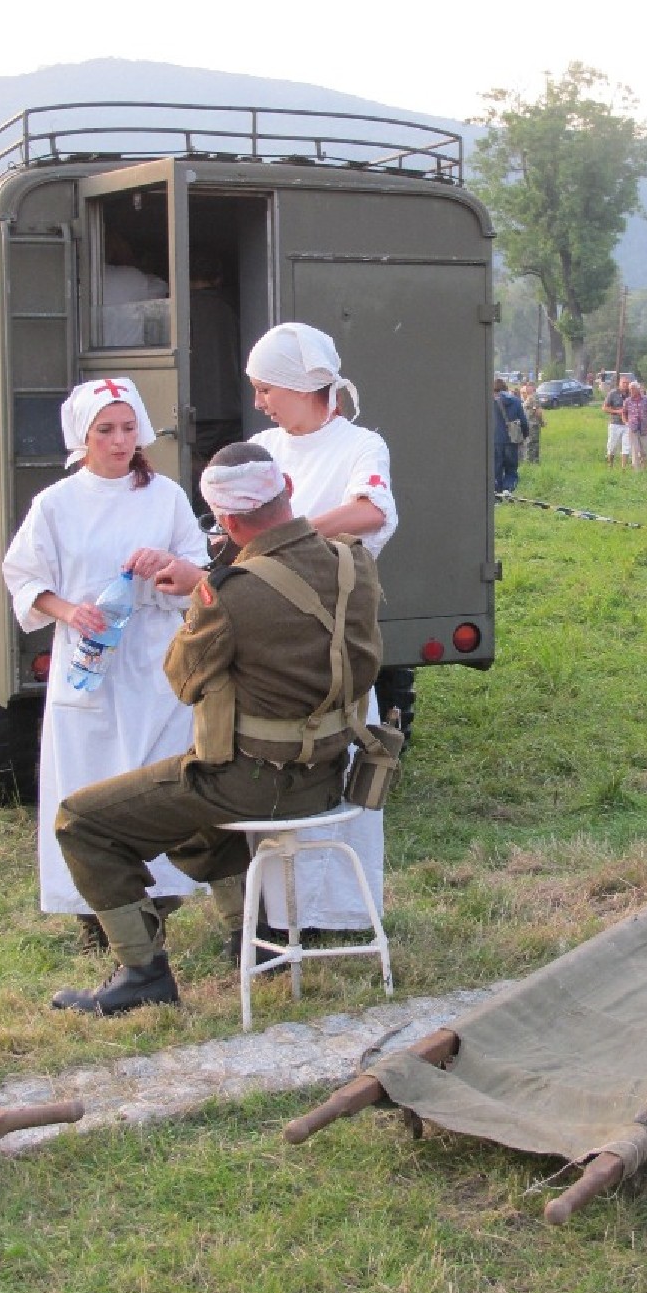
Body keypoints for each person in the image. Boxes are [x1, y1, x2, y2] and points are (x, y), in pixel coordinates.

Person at [50, 443, 383, 1015]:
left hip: (253, 783)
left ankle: (142, 971)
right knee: (191, 823)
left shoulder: (226, 593)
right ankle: (247, 933)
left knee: (81, 822)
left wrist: (201, 598)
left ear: (226, 521)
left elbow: (182, 681)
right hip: (331, 774)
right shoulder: (352, 563)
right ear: (288, 490)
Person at [2, 377, 209, 949]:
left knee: (155, 778)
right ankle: (96, 910)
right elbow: (24, 577)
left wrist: (165, 565)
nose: (119, 441)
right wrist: (71, 611)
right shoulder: (56, 504)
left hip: (153, 658)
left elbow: (197, 570)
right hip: (90, 663)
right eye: (106, 430)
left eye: (127, 429)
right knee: (87, 780)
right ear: (83, 437)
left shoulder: (165, 497)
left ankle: (156, 902)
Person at [244, 322, 398, 940]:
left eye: (266, 389)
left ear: (300, 386)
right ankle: (276, 914)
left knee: (338, 767)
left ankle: (340, 911)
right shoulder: (263, 447)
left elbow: (370, 510)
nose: (260, 402)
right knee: (273, 769)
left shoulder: (360, 445)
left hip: (333, 638)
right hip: (268, 642)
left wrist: (292, 538)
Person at [188, 246, 243, 510]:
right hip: (234, 408)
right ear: (219, 277)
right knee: (233, 478)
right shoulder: (235, 307)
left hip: (195, 412)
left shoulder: (177, 312)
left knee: (195, 479)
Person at [100, 231, 169, 348]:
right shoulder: (131, 277)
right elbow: (162, 289)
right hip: (129, 356)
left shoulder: (75, 280)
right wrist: (130, 261)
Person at [493, 377, 529, 494]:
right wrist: (524, 436)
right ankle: (507, 490)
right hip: (512, 440)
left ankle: (496, 492)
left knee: (496, 469)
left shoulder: (488, 402)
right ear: (505, 388)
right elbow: (524, 422)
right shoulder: (516, 401)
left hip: (494, 441)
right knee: (511, 468)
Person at [623, 380, 647, 469]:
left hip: (644, 428)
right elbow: (624, 413)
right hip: (633, 428)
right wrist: (626, 422)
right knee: (635, 449)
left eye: (633, 389)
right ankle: (636, 470)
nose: (631, 391)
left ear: (638, 389)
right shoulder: (627, 401)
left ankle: (644, 468)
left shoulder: (646, 400)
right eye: (630, 389)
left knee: (645, 450)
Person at [603, 375, 629, 467]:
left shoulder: (630, 394)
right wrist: (617, 411)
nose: (625, 385)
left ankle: (623, 467)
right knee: (612, 445)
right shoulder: (613, 393)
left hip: (627, 424)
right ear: (619, 383)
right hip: (615, 423)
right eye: (623, 383)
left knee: (626, 446)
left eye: (627, 383)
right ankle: (610, 464)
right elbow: (604, 408)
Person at [522, 387, 545, 463]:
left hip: (531, 424)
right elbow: (537, 411)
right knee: (533, 443)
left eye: (523, 392)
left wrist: (541, 421)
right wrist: (542, 422)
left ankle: (531, 460)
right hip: (531, 424)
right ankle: (532, 460)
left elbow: (537, 411)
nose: (522, 394)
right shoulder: (531, 398)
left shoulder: (531, 398)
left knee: (531, 442)